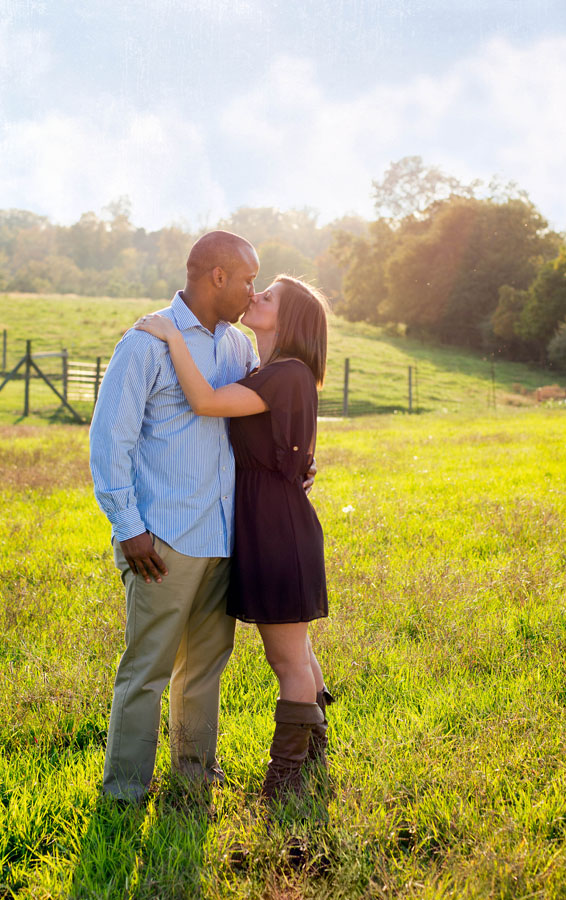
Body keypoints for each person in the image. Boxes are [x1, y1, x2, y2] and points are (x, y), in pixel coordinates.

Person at [89, 230, 315, 804]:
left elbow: (259, 416)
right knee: (147, 668)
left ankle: (194, 773)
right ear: (218, 276)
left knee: (206, 667)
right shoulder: (145, 342)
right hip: (163, 535)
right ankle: (125, 789)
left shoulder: (239, 348)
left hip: (225, 534)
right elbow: (109, 439)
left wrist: (298, 463)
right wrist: (129, 526)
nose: (252, 289)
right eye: (247, 279)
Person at [134, 274, 333, 800]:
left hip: (275, 530)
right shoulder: (272, 371)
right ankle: (314, 756)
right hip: (270, 523)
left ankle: (287, 780)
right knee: (297, 651)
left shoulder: (285, 373)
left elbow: (203, 401)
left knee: (286, 659)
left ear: (286, 320)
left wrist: (173, 337)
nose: (255, 296)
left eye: (267, 296)